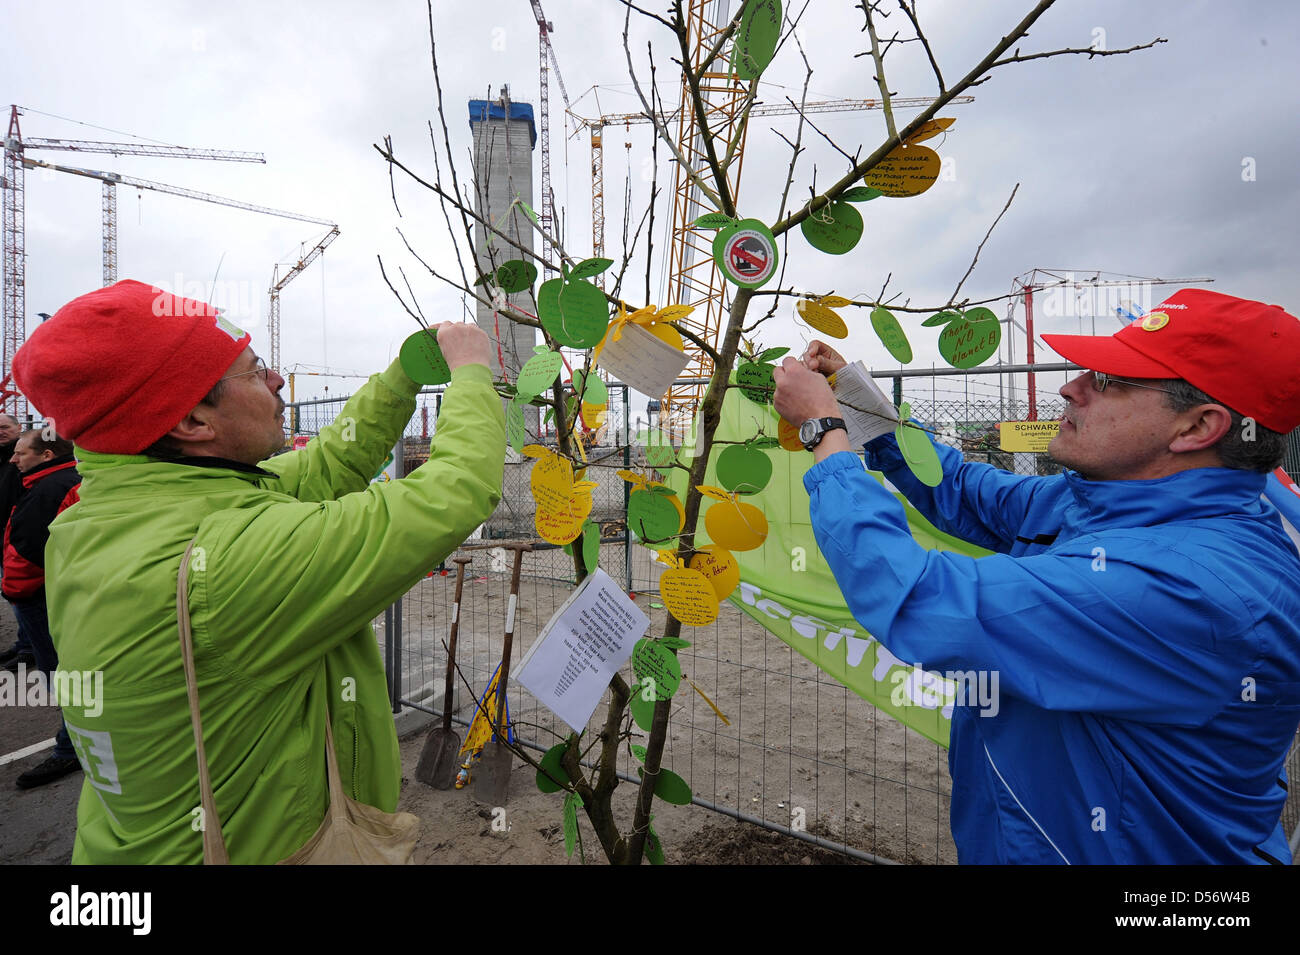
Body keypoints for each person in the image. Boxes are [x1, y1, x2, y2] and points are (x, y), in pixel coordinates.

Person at [772, 288, 1300, 864]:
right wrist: (855, 397)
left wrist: (823, 432)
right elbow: (966, 491)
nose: (1070, 387)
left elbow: (923, 600)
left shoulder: (1189, 586)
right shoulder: (1114, 502)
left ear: (1198, 426)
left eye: (1108, 379)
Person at [12, 279, 505, 863]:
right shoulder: (223, 560)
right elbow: (451, 493)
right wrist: (474, 374)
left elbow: (328, 463)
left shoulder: (118, 512)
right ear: (194, 422)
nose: (276, 379)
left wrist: (405, 373)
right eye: (254, 370)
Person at [3, 430, 82, 788]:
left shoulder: (50, 489)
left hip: (41, 596)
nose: (13, 459)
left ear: (46, 455)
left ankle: (71, 749)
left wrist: (14, 591)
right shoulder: (52, 482)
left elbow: (30, 551)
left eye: (20, 452)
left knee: (60, 672)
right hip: (50, 592)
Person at [0, 413, 35, 673]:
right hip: (4, 535)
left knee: (21, 593)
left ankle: (28, 648)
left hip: (17, 535)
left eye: (5, 427)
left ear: (19, 428)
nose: (1, 432)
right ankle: (23, 643)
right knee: (12, 593)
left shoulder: (28, 454)